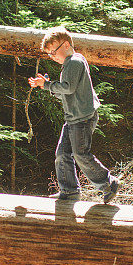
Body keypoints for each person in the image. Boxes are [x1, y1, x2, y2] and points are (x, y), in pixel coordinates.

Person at [28, 26, 120, 204]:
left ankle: (109, 183)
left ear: (66, 45)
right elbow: (66, 91)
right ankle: (69, 191)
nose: (53, 56)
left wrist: (47, 85)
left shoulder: (75, 62)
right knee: (62, 154)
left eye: (53, 51)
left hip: (82, 118)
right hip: (73, 118)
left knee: (80, 154)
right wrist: (46, 85)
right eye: (49, 54)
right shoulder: (70, 63)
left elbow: (68, 88)